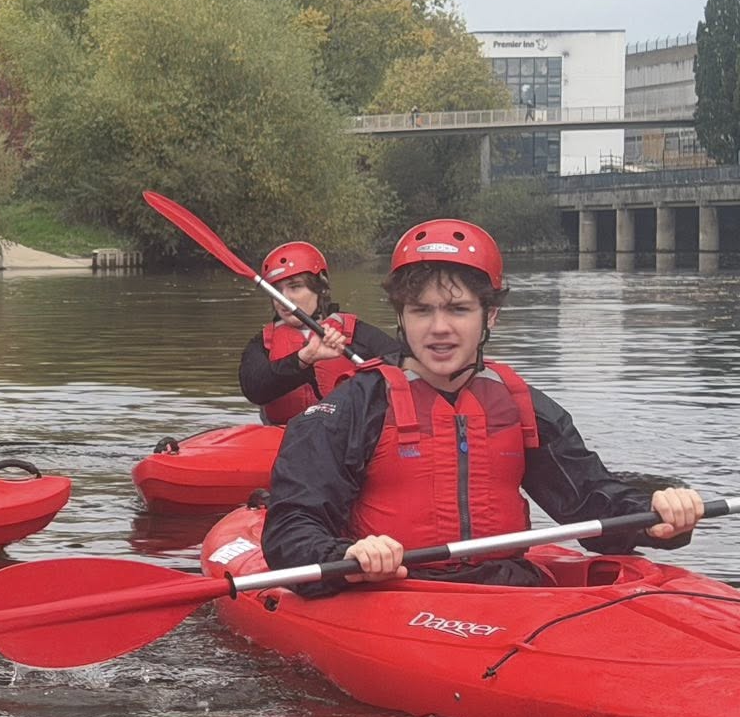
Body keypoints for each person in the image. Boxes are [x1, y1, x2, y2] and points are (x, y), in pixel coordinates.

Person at [263, 220, 704, 586]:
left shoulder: (519, 403)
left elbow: (591, 502)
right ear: (400, 316)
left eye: (457, 310)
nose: (439, 328)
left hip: (505, 590)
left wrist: (655, 519)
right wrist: (348, 555)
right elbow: (291, 529)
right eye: (421, 311)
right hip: (396, 590)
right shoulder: (355, 407)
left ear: (489, 315)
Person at [237, 241, 402, 424]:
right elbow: (254, 390)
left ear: (320, 289)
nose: (284, 298)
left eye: (295, 287)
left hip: (347, 440)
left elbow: (403, 367)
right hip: (283, 441)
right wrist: (302, 359)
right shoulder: (263, 343)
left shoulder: (356, 334)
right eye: (277, 290)